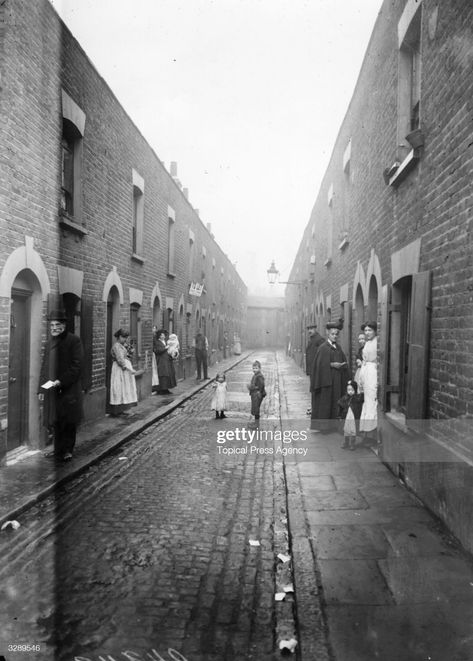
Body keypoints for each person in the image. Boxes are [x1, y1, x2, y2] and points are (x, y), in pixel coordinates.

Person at [39, 309, 84, 462]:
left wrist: (61, 381)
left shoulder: (74, 341)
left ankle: (68, 450)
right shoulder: (49, 343)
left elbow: (76, 367)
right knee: (55, 420)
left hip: (68, 388)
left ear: (64, 325)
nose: (54, 329)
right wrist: (41, 388)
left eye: (57, 325)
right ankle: (57, 449)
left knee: (68, 421)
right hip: (52, 390)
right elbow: (44, 367)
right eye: (51, 326)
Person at [310, 322, 350, 433]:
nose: (334, 336)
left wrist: (342, 365)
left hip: (337, 380)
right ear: (328, 334)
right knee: (326, 402)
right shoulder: (323, 348)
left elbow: (344, 361)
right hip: (326, 381)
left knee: (336, 401)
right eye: (332, 334)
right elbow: (318, 365)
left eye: (336, 334)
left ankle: (334, 426)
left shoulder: (338, 347)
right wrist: (332, 365)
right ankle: (324, 427)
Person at [110, 328, 137, 416]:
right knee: (118, 387)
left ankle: (120, 410)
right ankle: (115, 411)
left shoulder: (122, 346)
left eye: (126, 337)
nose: (125, 339)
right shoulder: (116, 346)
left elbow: (125, 356)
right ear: (118, 337)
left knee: (123, 388)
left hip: (123, 369)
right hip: (119, 368)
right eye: (123, 337)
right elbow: (120, 359)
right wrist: (128, 369)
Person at [359, 321, 378, 442]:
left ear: (375, 331)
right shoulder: (367, 343)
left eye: (369, 330)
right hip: (366, 373)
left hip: (373, 373)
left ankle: (372, 434)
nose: (367, 333)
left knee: (372, 402)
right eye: (365, 331)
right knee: (367, 401)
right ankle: (366, 432)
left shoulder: (377, 342)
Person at [338, 380, 364, 451]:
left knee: (353, 431)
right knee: (346, 430)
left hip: (353, 417)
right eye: (348, 390)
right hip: (346, 417)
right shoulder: (345, 398)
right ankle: (346, 442)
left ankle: (352, 444)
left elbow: (361, 399)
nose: (350, 391)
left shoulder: (356, 398)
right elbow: (340, 403)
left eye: (352, 390)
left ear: (355, 390)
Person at [305, 323, 325, 416]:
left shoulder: (319, 340)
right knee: (313, 389)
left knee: (315, 389)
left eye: (312, 329)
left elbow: (322, 355)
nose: (310, 331)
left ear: (316, 329)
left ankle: (315, 409)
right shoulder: (312, 339)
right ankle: (313, 407)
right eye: (309, 329)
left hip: (316, 369)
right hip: (312, 369)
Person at [153, 329, 177, 394]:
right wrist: (165, 348)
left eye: (164, 335)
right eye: (162, 335)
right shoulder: (157, 342)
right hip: (161, 360)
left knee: (168, 374)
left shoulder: (166, 341)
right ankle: (161, 389)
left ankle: (166, 389)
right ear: (159, 336)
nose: (163, 336)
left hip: (167, 359)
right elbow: (157, 351)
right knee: (162, 374)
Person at [247, 360, 266, 425]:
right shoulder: (255, 375)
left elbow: (262, 385)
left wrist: (258, 391)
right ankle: (255, 422)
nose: (254, 369)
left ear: (260, 368)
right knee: (255, 408)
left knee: (256, 409)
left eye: (256, 368)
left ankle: (257, 424)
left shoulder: (259, 376)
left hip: (257, 394)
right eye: (253, 368)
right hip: (255, 394)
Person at [151, 325, 160, 393]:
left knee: (155, 369)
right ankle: (153, 385)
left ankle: (155, 385)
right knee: (153, 369)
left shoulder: (156, 337)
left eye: (155, 328)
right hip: (152, 354)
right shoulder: (152, 337)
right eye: (153, 328)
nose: (154, 330)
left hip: (154, 354)